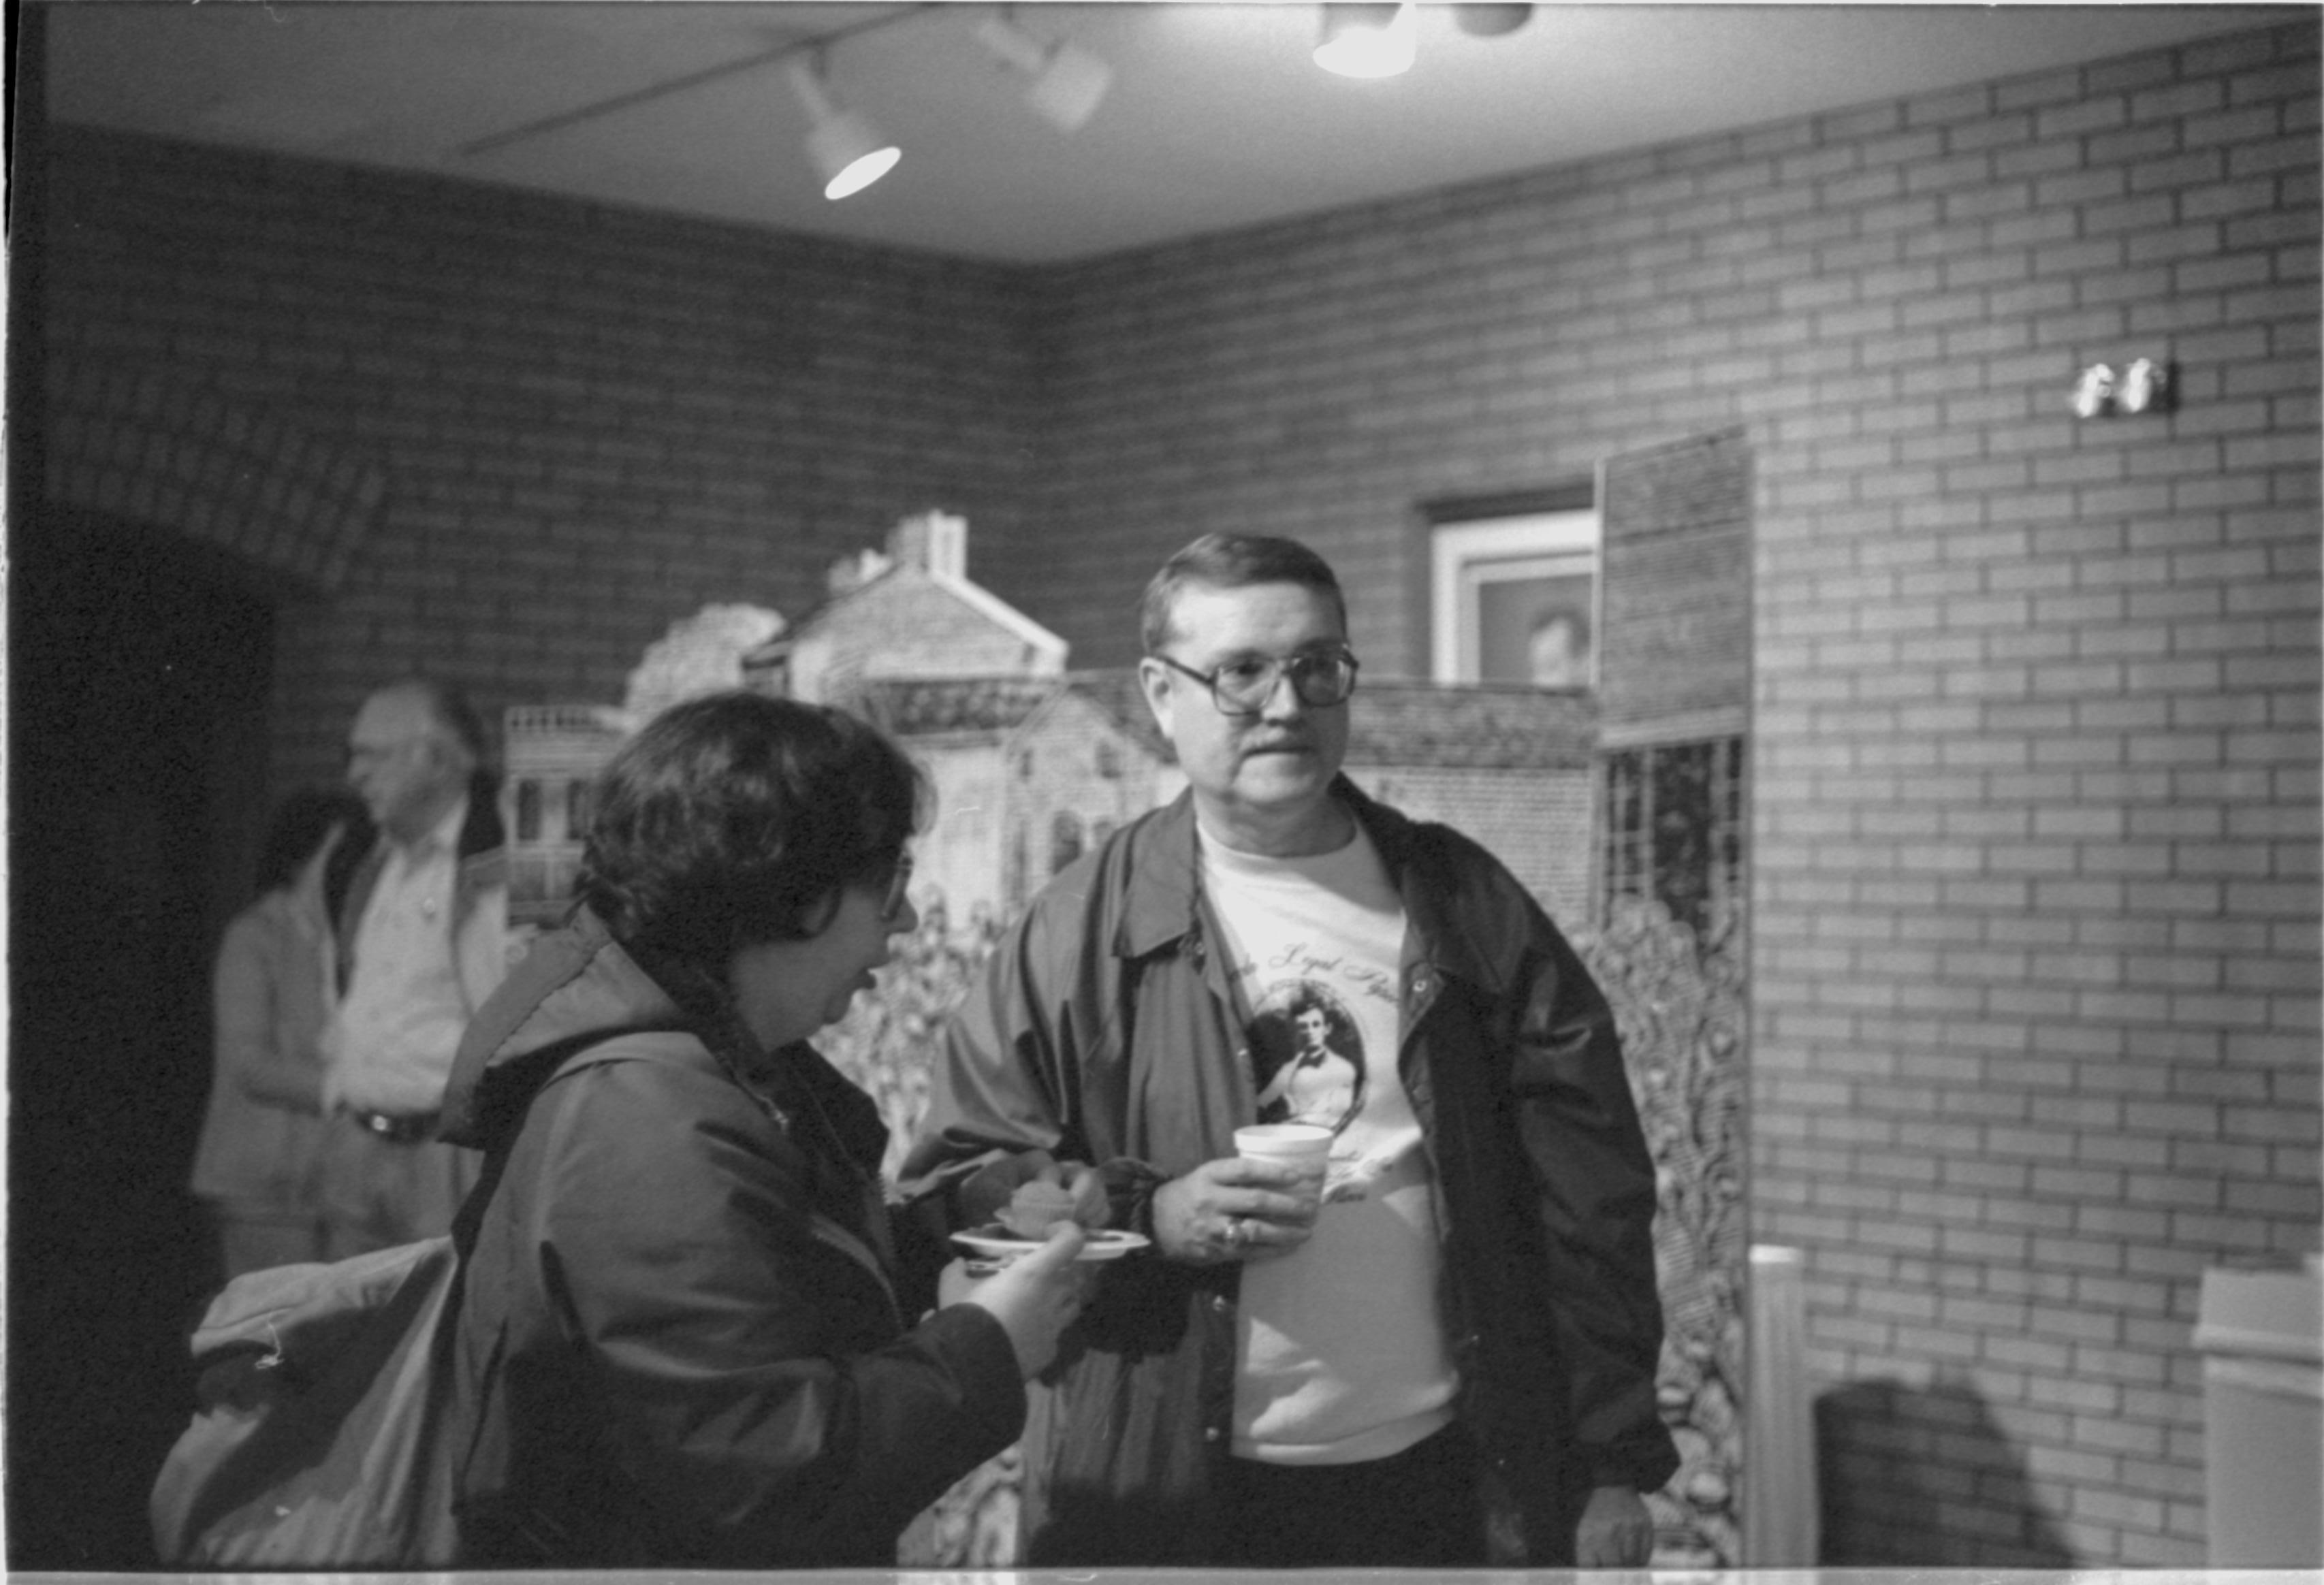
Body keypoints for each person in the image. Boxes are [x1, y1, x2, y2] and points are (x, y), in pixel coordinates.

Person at [904, 532, 1678, 1568]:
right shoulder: (1078, 931)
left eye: (1318, 667)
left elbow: (1590, 1197)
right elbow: (961, 1184)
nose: (1286, 704)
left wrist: (1608, 1459)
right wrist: (1151, 1217)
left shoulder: (1460, 902)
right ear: (1159, 692)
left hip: (1444, 1479)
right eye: (1240, 673)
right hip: (1162, 1491)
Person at [437, 692, 1089, 1567]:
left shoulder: (715, 1068)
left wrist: (967, 1225)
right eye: (889, 882)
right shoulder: (641, 1117)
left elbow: (774, 1279)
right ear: (789, 889)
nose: (904, 920)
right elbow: (759, 1469)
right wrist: (988, 1349)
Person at [317, 677, 514, 1256]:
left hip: (446, 1161)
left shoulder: (496, 866)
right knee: (356, 1339)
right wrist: (338, 1098)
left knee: (437, 1339)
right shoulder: (358, 857)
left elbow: (514, 1021)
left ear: (436, 758)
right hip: (356, 1149)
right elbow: (347, 991)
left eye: (371, 756)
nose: (355, 775)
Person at [189, 787, 373, 1280]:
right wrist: (348, 1089)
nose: (349, 871)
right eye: (336, 856)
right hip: (262, 1183)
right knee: (273, 1340)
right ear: (298, 859)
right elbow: (249, 1065)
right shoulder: (254, 937)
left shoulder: (362, 939)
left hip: (336, 1181)